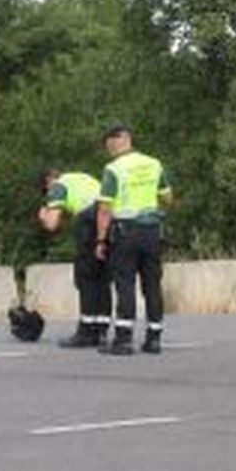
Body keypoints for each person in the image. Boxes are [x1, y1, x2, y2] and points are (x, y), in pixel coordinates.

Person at [94, 124, 174, 355]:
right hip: (152, 231)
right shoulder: (154, 163)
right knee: (152, 284)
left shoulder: (114, 169)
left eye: (108, 144)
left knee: (125, 283)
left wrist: (100, 241)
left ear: (116, 141)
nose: (108, 149)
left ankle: (123, 340)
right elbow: (168, 197)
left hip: (126, 232)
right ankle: (154, 338)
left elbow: (105, 208)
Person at [38, 168, 111, 347]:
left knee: (85, 277)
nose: (48, 195)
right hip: (108, 218)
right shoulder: (83, 177)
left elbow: (52, 224)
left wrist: (43, 216)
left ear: (48, 182)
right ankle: (101, 330)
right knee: (102, 277)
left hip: (88, 219)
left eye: (45, 191)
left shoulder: (58, 187)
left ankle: (86, 332)